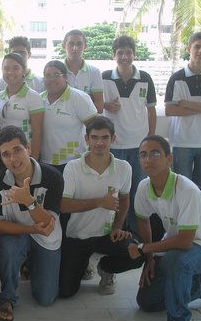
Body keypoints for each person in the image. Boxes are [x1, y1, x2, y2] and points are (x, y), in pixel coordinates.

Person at [128, 135, 201, 321]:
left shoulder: (186, 190)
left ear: (169, 159)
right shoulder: (144, 186)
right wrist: (150, 259)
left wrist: (145, 249)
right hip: (174, 241)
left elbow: (186, 241)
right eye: (143, 155)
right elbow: (142, 220)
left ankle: (180, 319)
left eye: (155, 154)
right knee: (147, 301)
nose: (148, 160)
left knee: (175, 262)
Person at [58, 116, 144, 298]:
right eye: (94, 137)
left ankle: (105, 268)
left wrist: (117, 227)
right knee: (65, 292)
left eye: (105, 137)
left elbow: (125, 200)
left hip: (107, 235)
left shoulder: (124, 167)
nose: (99, 143)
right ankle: (83, 263)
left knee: (137, 254)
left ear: (113, 139)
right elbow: (64, 206)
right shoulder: (73, 167)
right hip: (77, 236)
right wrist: (99, 202)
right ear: (86, 139)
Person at [0, 125, 63, 321]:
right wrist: (29, 229)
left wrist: (28, 200)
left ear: (28, 148)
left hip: (47, 233)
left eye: (18, 150)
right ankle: (7, 298)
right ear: (0, 156)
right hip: (18, 231)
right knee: (9, 245)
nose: (13, 159)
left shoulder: (53, 177)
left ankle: (31, 263)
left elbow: (48, 222)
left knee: (46, 299)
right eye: (6, 154)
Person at [102, 35, 157, 236]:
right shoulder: (104, 77)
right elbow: (93, 103)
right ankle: (114, 231)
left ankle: (136, 233)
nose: (124, 57)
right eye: (120, 53)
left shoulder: (145, 78)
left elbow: (151, 110)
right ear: (114, 55)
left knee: (138, 192)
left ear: (134, 54)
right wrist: (107, 105)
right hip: (114, 145)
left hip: (139, 146)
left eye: (128, 53)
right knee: (113, 192)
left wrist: (151, 139)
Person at [164, 31, 201, 199]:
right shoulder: (176, 78)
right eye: (197, 47)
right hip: (182, 141)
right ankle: (182, 225)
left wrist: (187, 104)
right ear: (189, 48)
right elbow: (170, 110)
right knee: (181, 188)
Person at [40, 60, 98, 173]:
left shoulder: (79, 98)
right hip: (45, 162)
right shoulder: (38, 99)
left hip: (74, 162)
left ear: (65, 77)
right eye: (48, 76)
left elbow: (95, 130)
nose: (52, 79)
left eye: (56, 75)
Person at [0, 53, 44, 161]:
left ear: (24, 71)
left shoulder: (33, 97)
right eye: (6, 68)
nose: (10, 72)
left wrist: (33, 161)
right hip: (3, 153)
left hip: (24, 154)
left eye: (15, 68)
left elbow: (37, 132)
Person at [63, 29, 104, 113]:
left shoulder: (94, 72)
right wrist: (87, 99)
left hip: (86, 124)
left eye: (79, 44)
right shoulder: (56, 71)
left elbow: (99, 106)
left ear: (85, 46)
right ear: (63, 46)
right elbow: (51, 102)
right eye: (71, 44)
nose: (75, 48)